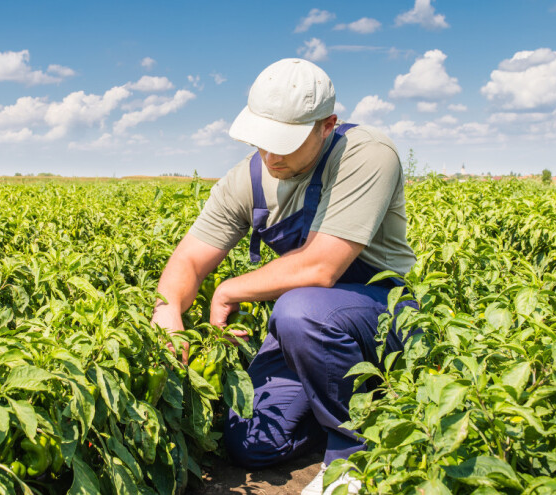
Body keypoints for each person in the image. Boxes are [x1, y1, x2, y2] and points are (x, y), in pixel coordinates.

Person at [150, 58, 417, 494]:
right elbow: (188, 262)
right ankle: (371, 405)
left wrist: (230, 288)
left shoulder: (366, 153)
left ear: (326, 125)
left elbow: (321, 266)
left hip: (382, 316)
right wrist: (167, 321)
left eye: (285, 144)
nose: (271, 156)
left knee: (299, 309)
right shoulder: (247, 181)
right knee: (251, 441)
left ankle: (355, 456)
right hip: (309, 330)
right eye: (262, 141)